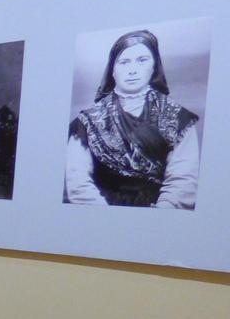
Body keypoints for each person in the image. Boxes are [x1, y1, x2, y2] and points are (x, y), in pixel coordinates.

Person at [64, 29, 200, 209]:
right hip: (98, 212)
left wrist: (162, 213)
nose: (132, 70)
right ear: (113, 70)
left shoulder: (178, 119)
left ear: (154, 67)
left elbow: (183, 181)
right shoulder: (86, 122)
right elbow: (78, 183)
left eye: (142, 60)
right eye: (124, 62)